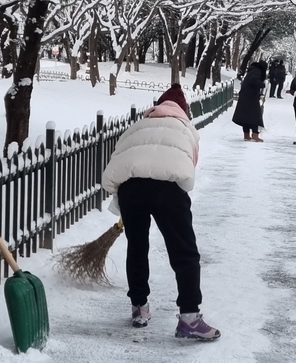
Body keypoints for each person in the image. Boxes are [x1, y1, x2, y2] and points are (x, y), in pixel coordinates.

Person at [101, 84, 220, 340]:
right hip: (167, 189)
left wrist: (121, 196)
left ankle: (139, 308)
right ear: (183, 110)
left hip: (131, 188)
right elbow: (189, 162)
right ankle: (189, 318)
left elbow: (119, 156)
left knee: (137, 247)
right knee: (184, 251)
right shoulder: (186, 128)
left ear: (157, 107)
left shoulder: (138, 125)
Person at [232, 61, 267, 142]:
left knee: (246, 117)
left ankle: (246, 135)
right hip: (250, 97)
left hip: (246, 96)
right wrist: (262, 84)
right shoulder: (257, 71)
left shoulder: (252, 70)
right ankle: (255, 135)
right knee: (255, 116)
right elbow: (253, 81)